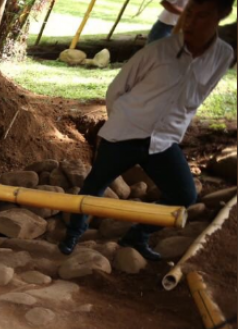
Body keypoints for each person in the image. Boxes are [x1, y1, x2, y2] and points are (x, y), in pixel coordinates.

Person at [58, 0, 235, 261]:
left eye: (202, 15)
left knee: (184, 196)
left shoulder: (223, 56)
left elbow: (200, 94)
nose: (191, 21)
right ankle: (74, 233)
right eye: (189, 14)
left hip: (163, 142)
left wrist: (174, 125)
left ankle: (137, 236)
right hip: (124, 134)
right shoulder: (157, 51)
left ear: (222, 15)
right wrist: (126, 120)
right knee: (94, 186)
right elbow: (117, 90)